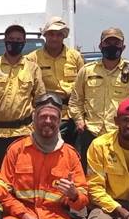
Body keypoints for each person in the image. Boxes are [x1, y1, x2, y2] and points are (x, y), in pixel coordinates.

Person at [0, 94, 89, 219]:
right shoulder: (17, 150)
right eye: (43, 117)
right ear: (34, 119)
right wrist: (27, 218)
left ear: (59, 121)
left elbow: (82, 200)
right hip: (21, 216)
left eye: (53, 118)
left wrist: (73, 195)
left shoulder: (70, 155)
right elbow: (2, 192)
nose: (48, 121)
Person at [69, 27, 129, 172]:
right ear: (100, 46)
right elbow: (76, 100)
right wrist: (79, 120)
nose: (112, 47)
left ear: (123, 47)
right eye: (108, 43)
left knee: (118, 173)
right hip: (91, 132)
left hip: (120, 134)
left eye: (116, 44)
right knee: (89, 174)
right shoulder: (87, 71)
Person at [0, 24, 45, 166]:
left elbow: (40, 101)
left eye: (19, 39)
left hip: (24, 133)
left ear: (24, 43)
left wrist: (38, 130)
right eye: (11, 39)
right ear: (5, 40)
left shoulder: (32, 68)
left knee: (22, 174)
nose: (15, 42)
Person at [26, 17, 85, 145]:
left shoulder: (75, 57)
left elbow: (83, 87)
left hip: (72, 116)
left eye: (59, 35)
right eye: (51, 34)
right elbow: (28, 90)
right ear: (45, 35)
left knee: (73, 155)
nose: (54, 38)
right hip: (47, 116)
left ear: (64, 36)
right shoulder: (32, 58)